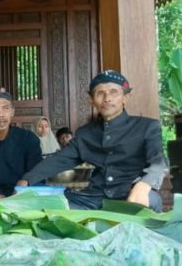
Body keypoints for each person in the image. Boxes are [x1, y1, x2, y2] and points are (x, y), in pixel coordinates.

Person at [18, 70, 167, 212]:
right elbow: (60, 160)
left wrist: (144, 185)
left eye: (114, 92)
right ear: (91, 100)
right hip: (89, 198)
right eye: (100, 93)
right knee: (45, 209)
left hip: (128, 194)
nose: (107, 98)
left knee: (151, 200)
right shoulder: (85, 134)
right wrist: (27, 179)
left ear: (125, 97)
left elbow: (159, 162)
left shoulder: (147, 127)